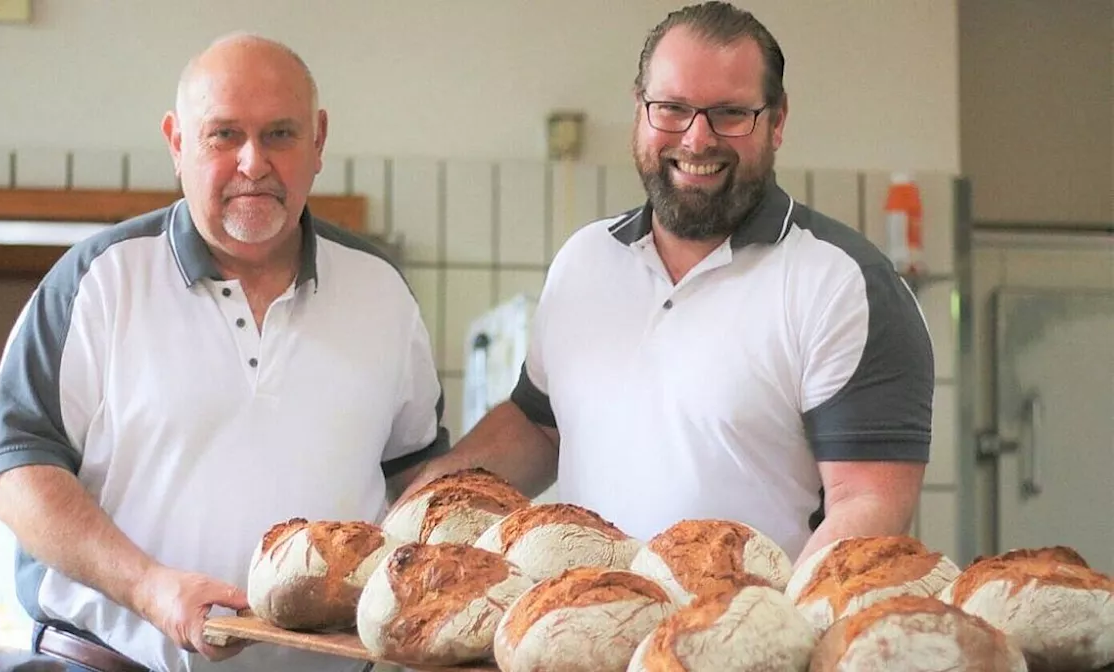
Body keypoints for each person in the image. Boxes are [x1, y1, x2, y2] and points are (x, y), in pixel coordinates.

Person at [396, 1, 933, 570]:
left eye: (730, 113)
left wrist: (759, 632)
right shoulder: (585, 261)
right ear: (640, 111)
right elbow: (541, 427)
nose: (697, 140)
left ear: (777, 121)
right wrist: (427, 501)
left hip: (740, 647)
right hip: (581, 633)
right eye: (672, 108)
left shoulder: (842, 283)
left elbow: (868, 504)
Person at [0, 33, 447, 672]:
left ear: (319, 140)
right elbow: (14, 474)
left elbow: (419, 486)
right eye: (223, 135)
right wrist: (148, 586)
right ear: (177, 142)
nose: (253, 162)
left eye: (280, 133)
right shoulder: (101, 280)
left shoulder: (382, 292)